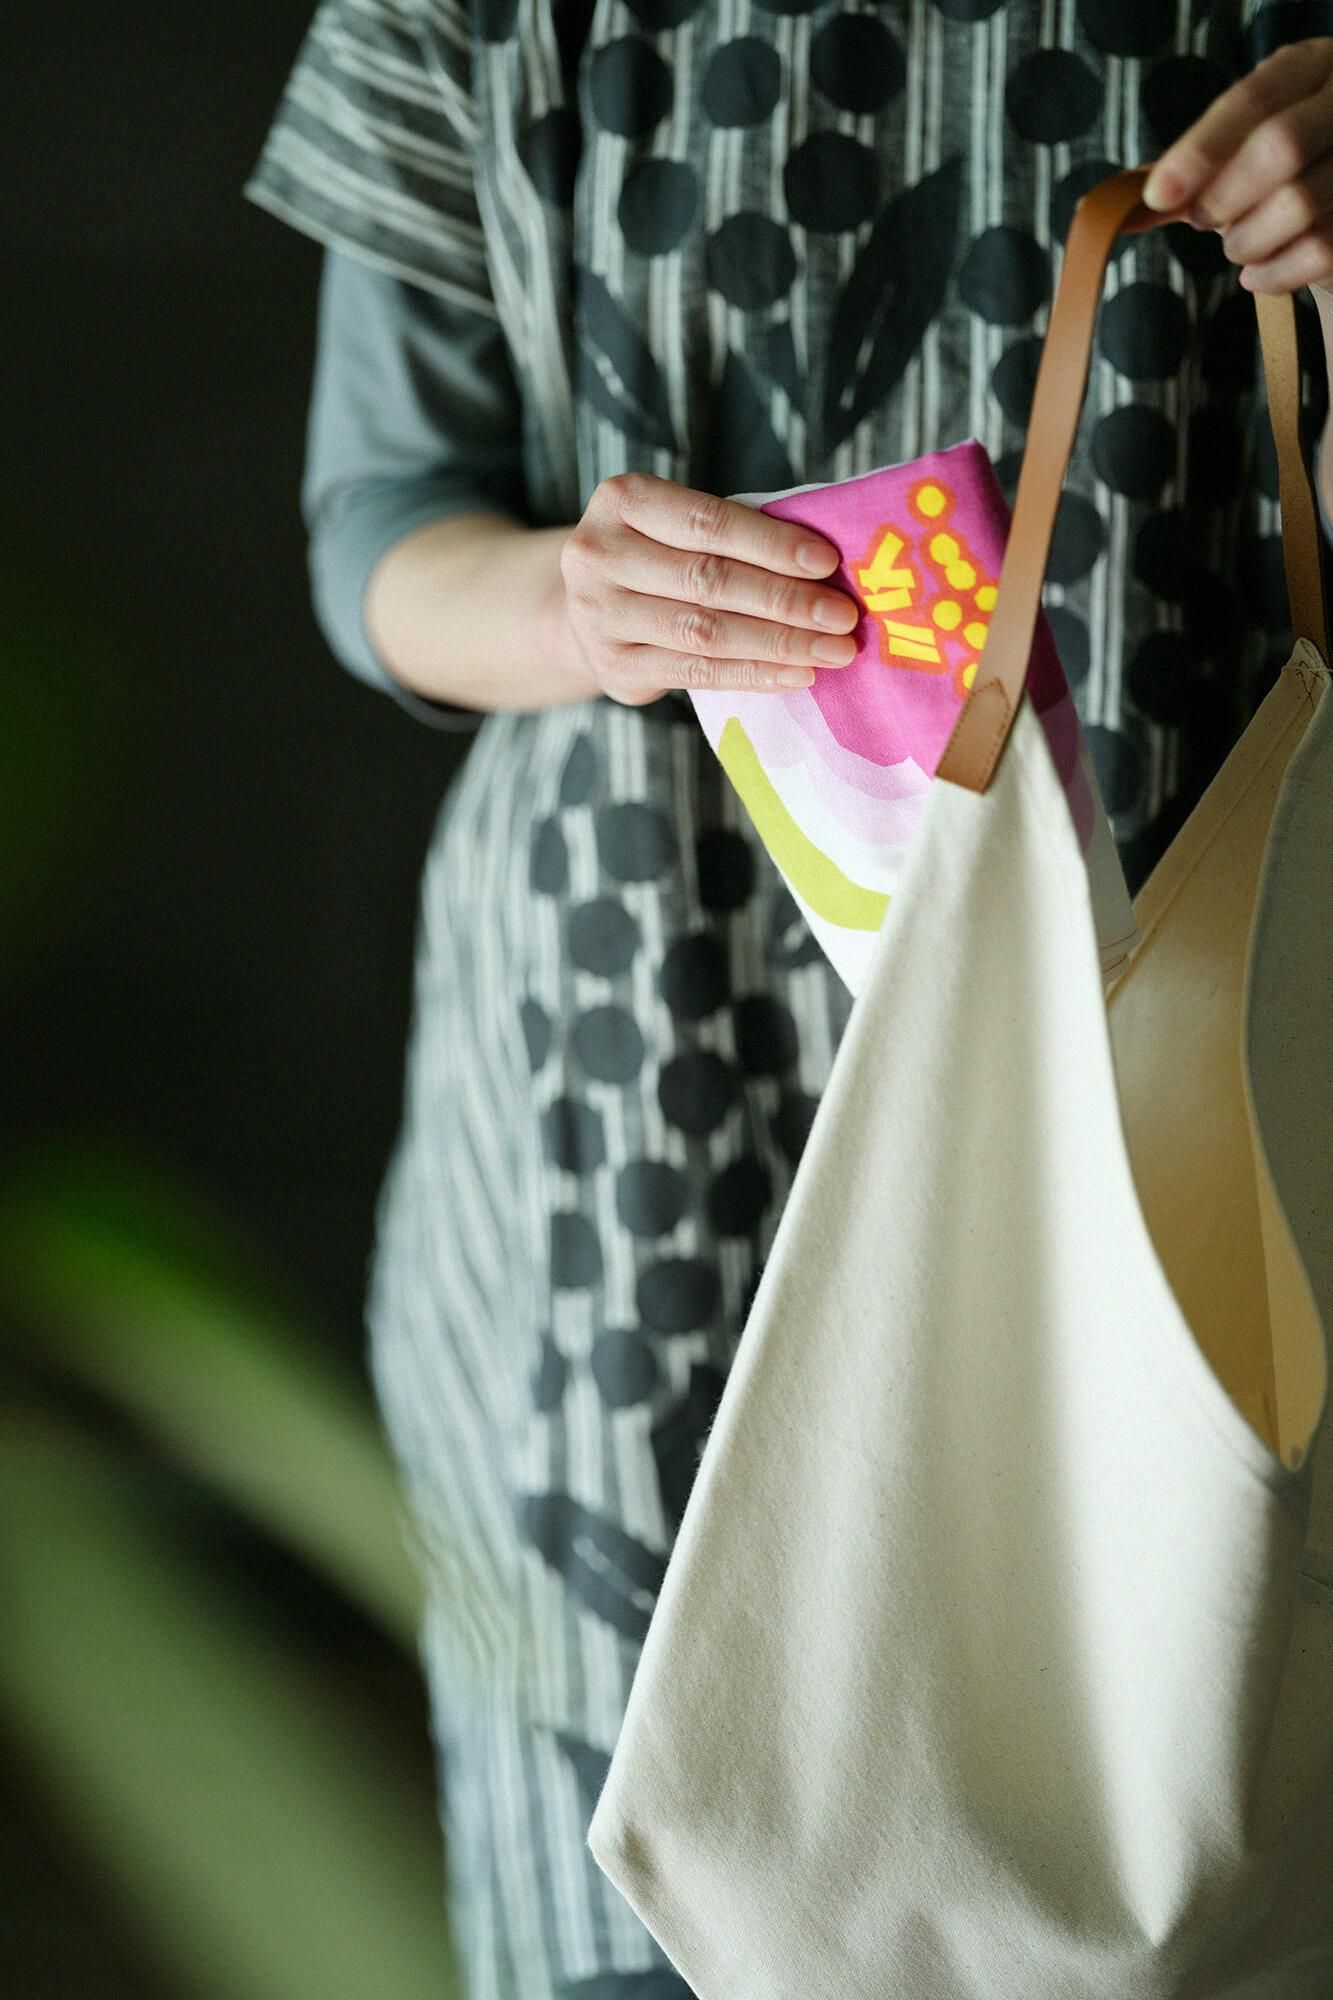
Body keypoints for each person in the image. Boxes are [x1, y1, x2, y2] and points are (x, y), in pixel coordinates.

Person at [244, 7, 1333, 1994]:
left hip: (1190, 1007)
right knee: (666, 1851)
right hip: (634, 1075)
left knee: (1207, 1769)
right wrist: (576, 599)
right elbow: (379, 523)